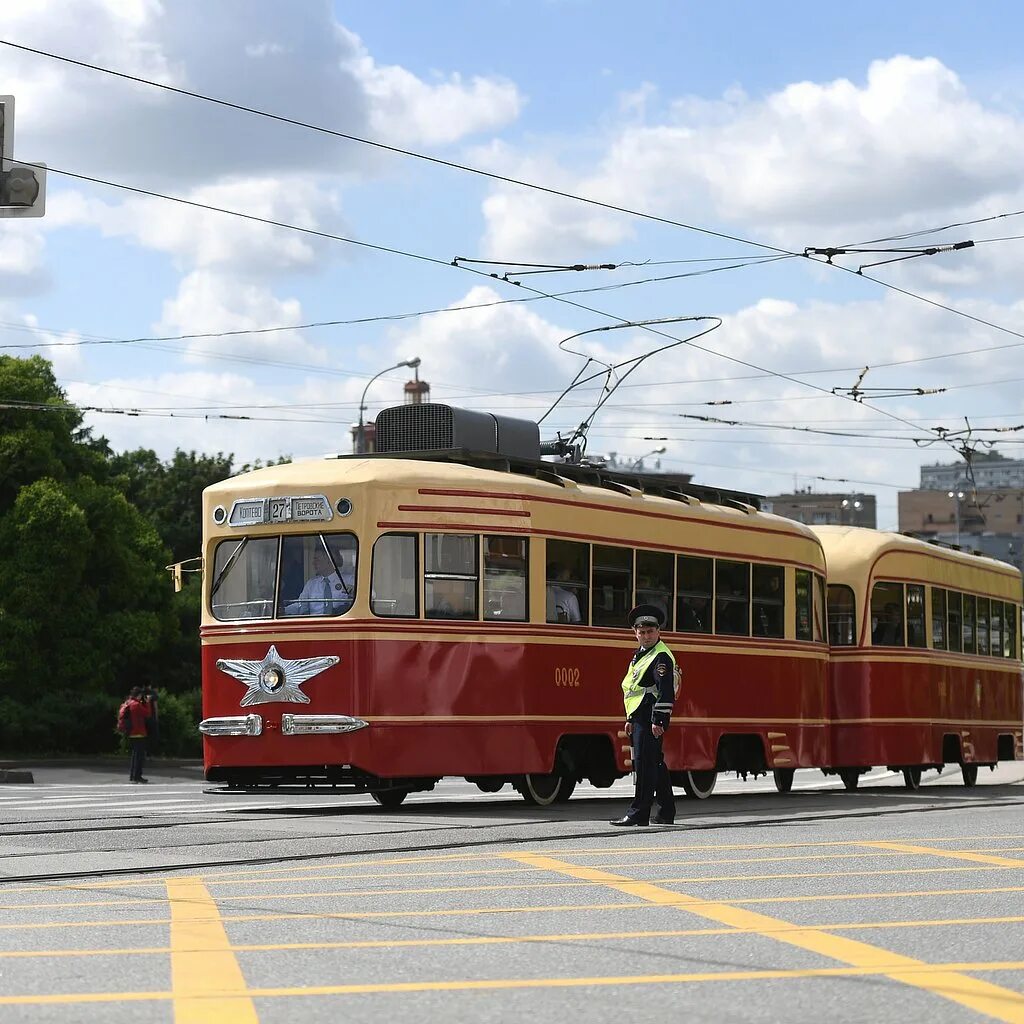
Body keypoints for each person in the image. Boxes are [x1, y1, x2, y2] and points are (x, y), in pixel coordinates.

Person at [611, 604, 678, 827]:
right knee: (654, 763)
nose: (646, 636)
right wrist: (630, 718)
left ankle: (639, 812)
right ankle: (666, 811)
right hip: (640, 715)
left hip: (650, 717)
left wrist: (659, 720)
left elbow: (665, 690)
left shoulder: (660, 657)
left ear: (659, 632)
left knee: (643, 764)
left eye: (650, 632)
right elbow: (634, 687)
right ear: (635, 633)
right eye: (642, 632)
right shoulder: (641, 654)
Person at [285, 547, 353, 616]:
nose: (313, 563)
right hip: (316, 624)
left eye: (317, 559)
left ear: (329, 560)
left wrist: (352, 593)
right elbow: (301, 605)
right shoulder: (311, 583)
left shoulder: (349, 580)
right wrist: (284, 610)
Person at [122, 687, 152, 784]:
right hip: (138, 733)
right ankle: (137, 776)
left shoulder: (128, 703)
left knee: (135, 756)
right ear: (138, 695)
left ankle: (133, 776)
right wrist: (147, 702)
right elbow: (147, 714)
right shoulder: (136, 705)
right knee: (139, 757)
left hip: (131, 732)